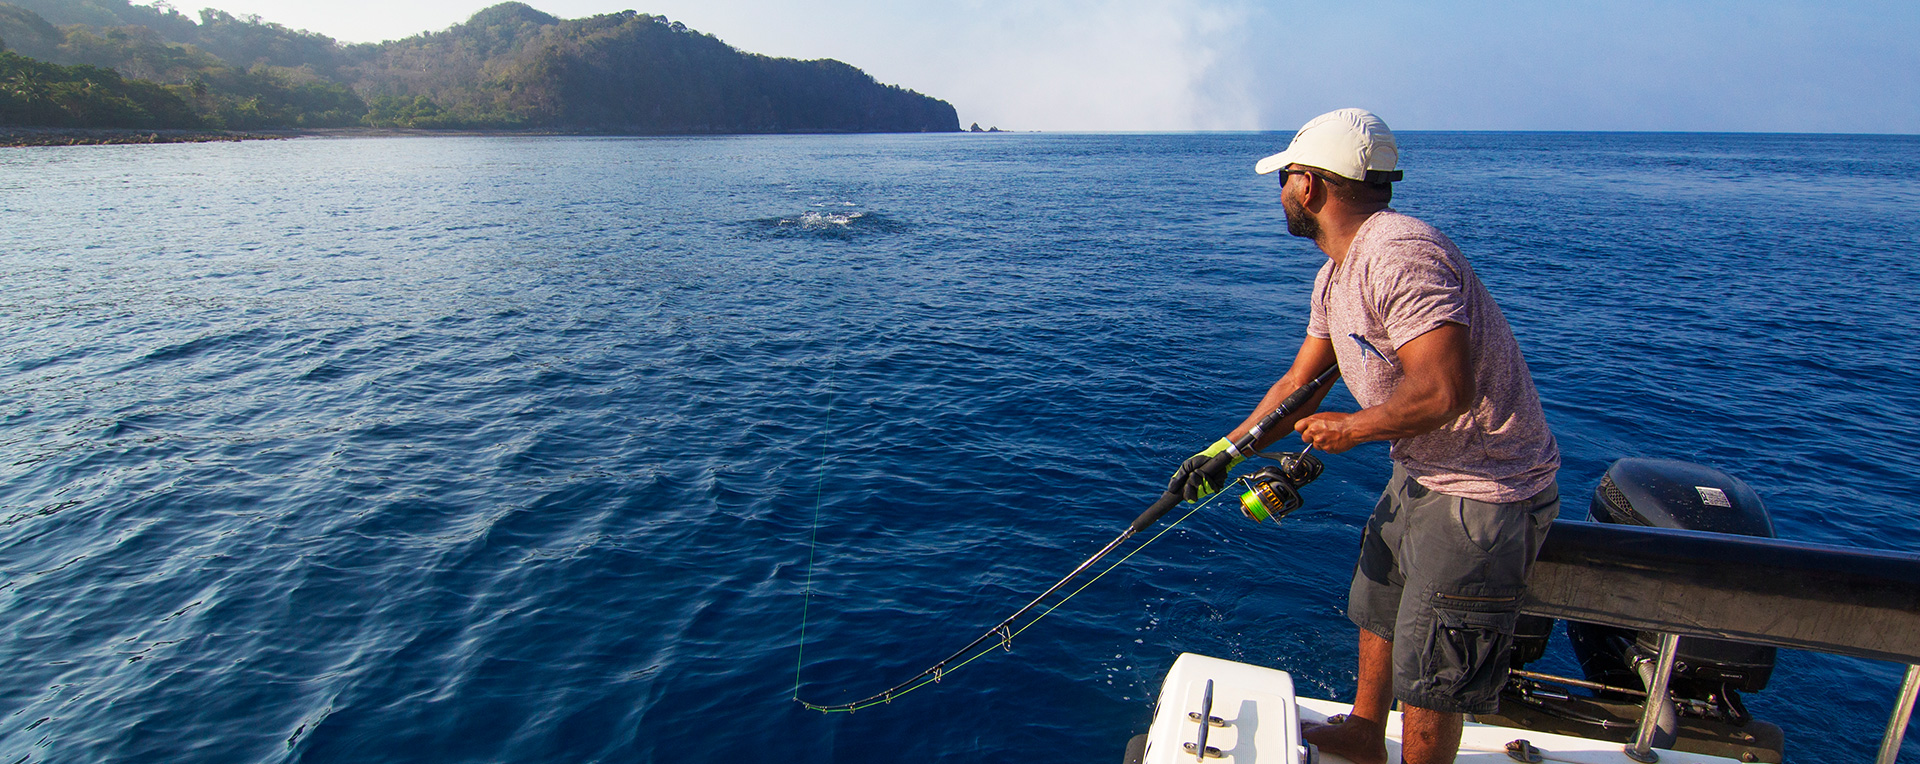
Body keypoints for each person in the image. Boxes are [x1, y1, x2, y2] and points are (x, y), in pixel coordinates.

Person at [1166, 108, 1561, 764]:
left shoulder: (1399, 252)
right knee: (1379, 601)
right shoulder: (1336, 273)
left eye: (1286, 177)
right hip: (1425, 471)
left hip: (1481, 492)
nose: (1282, 192)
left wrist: (1355, 428)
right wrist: (1223, 454)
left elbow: (1443, 391)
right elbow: (1300, 387)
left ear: (1311, 186)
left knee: (1434, 677)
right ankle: (1364, 730)